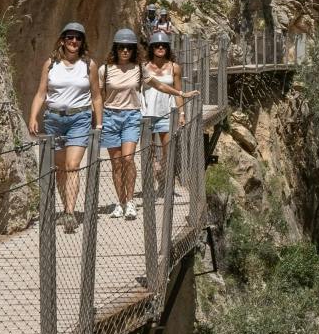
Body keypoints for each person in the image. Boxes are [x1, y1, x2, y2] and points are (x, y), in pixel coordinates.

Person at [27, 21, 100, 233]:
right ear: (62, 40)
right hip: (54, 120)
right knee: (59, 168)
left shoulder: (89, 65)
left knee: (72, 165)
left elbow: (96, 96)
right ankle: (66, 208)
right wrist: (33, 117)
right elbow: (41, 93)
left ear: (82, 42)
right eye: (70, 37)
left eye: (78, 38)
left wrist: (100, 122)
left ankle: (69, 212)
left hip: (79, 119)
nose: (74, 41)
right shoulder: (50, 64)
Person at [99, 28, 146, 219]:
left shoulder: (140, 69)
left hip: (131, 116)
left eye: (129, 48)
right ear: (116, 49)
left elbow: (157, 84)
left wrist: (179, 94)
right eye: (121, 47)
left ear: (134, 50)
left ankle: (131, 201)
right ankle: (120, 202)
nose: (125, 51)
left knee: (128, 159)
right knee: (116, 163)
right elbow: (97, 94)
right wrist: (97, 119)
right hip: (110, 116)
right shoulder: (106, 69)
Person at [140, 29, 196, 183]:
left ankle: (164, 178)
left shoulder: (174, 67)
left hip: (166, 113)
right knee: (148, 149)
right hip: (146, 113)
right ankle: (154, 168)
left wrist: (182, 114)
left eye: (163, 45)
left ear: (167, 48)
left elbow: (178, 92)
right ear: (151, 47)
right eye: (157, 45)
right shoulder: (143, 67)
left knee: (167, 148)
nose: (160, 48)